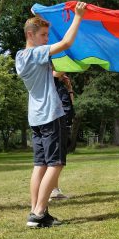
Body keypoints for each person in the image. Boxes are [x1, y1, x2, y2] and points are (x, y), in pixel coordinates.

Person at [15, 1, 86, 228]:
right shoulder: (37, 53)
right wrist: (78, 16)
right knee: (56, 164)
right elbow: (66, 42)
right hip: (50, 115)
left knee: (40, 165)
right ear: (30, 34)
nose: (47, 39)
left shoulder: (20, 56)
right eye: (44, 35)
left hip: (35, 117)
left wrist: (41, 18)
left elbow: (52, 71)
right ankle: (38, 213)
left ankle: (36, 211)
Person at [49, 71, 75, 201]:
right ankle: (52, 190)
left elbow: (70, 105)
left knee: (57, 160)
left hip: (64, 125)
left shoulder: (61, 86)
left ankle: (54, 189)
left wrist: (70, 89)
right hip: (57, 124)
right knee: (56, 161)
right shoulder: (50, 83)